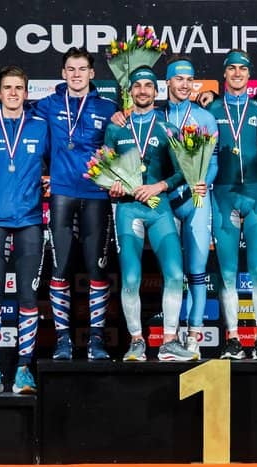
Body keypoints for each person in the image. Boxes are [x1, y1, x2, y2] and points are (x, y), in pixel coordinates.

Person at [105, 65, 196, 362]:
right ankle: (136, 342)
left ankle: (169, 342)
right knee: (131, 277)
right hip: (128, 209)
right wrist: (112, 185)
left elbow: (183, 172)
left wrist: (159, 186)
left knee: (175, 274)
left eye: (148, 86)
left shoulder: (168, 128)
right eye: (137, 86)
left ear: (156, 91)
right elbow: (105, 169)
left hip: (160, 209)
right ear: (130, 91)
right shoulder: (116, 128)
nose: (142, 90)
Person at [34, 47, 118, 361]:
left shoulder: (108, 108)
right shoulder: (47, 105)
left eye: (82, 69)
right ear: (63, 73)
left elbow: (124, 145)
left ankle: (96, 339)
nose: (76, 74)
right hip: (62, 195)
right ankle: (63, 341)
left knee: (97, 270)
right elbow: (12, 113)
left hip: (96, 195)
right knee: (59, 270)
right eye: (71, 69)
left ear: (92, 73)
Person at [0, 66, 49, 393]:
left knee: (28, 297)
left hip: (30, 220)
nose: (13, 93)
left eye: (19, 88)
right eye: (7, 88)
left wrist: (50, 180)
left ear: (26, 93)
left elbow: (61, 163)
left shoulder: (42, 126)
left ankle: (23, 370)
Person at [207, 49, 257, 360]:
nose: (237, 74)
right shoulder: (211, 109)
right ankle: (232, 338)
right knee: (228, 271)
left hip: (256, 193)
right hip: (223, 194)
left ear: (249, 74)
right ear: (224, 73)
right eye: (231, 68)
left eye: (242, 69)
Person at [163, 55, 218, 359]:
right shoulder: (156, 117)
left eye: (189, 79)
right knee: (172, 272)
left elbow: (215, 161)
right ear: (168, 81)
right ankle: (168, 338)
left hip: (197, 200)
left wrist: (204, 182)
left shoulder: (204, 117)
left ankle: (194, 336)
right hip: (166, 199)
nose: (184, 85)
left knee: (197, 271)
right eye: (179, 78)